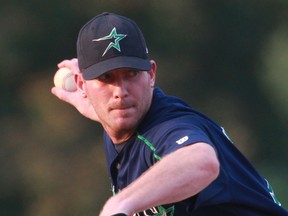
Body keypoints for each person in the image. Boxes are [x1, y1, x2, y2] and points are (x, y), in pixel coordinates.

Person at [51, 12, 288, 216]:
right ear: (82, 85)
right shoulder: (123, 125)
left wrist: (118, 204)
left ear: (151, 75)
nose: (120, 92)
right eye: (106, 78)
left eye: (131, 74)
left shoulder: (168, 127)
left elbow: (202, 161)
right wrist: (101, 111)